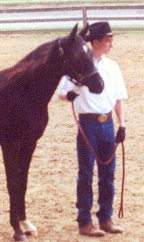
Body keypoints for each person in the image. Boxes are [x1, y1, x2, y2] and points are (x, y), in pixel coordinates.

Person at [57, 21, 128, 237]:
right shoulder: (80, 64)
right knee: (86, 173)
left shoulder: (112, 67)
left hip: (107, 124)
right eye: (108, 40)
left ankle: (105, 218)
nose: (111, 44)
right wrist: (71, 93)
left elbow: (118, 99)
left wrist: (122, 124)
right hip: (87, 124)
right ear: (96, 42)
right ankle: (85, 222)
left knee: (108, 174)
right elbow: (62, 93)